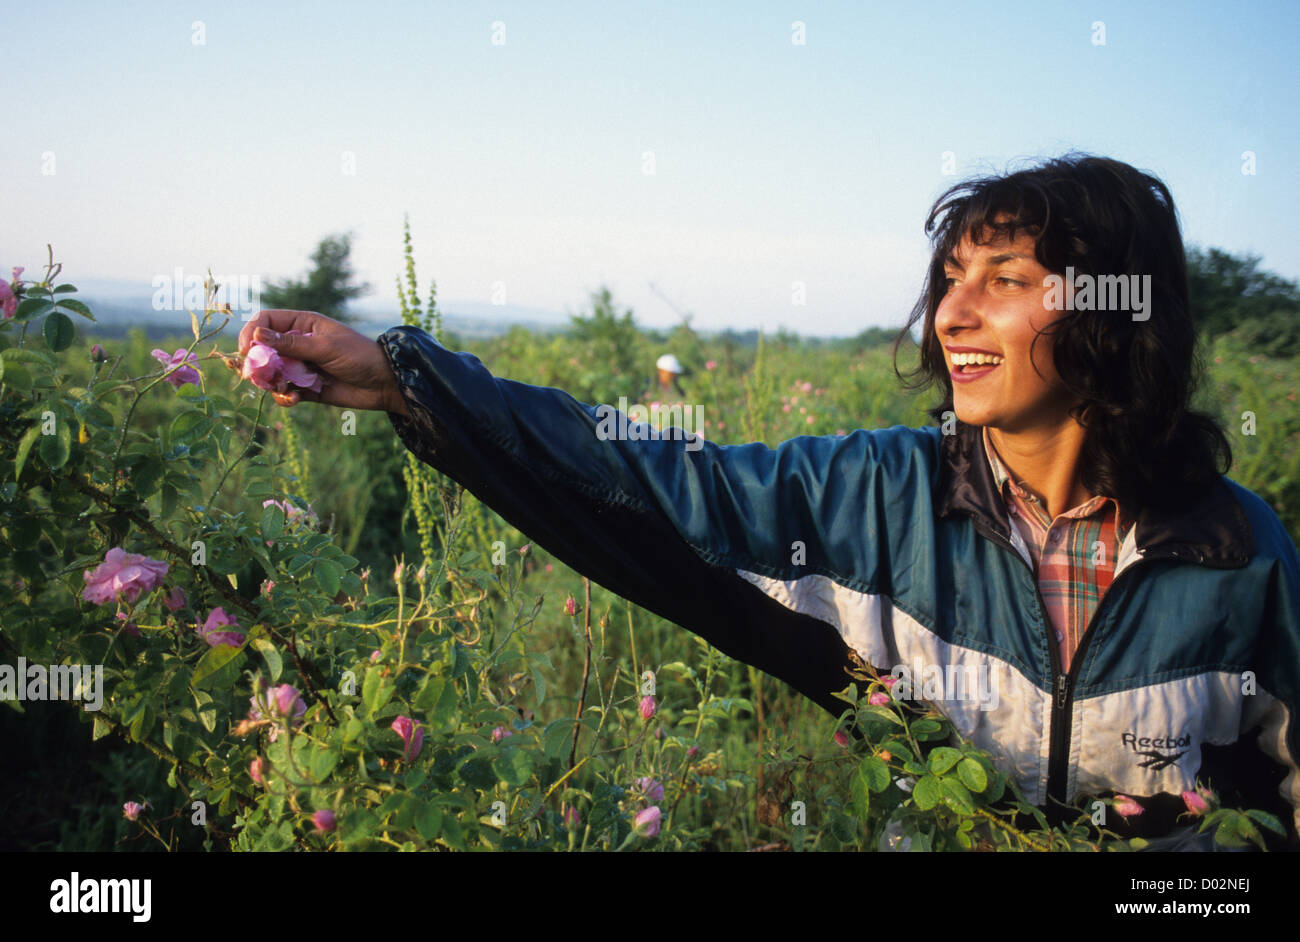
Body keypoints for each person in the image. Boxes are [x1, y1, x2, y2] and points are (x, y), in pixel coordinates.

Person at [237, 154, 1300, 850]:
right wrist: (408, 380)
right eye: (948, 277)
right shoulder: (881, 496)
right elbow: (660, 483)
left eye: (1005, 279)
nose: (951, 315)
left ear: (1117, 311)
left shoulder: (1237, 553)